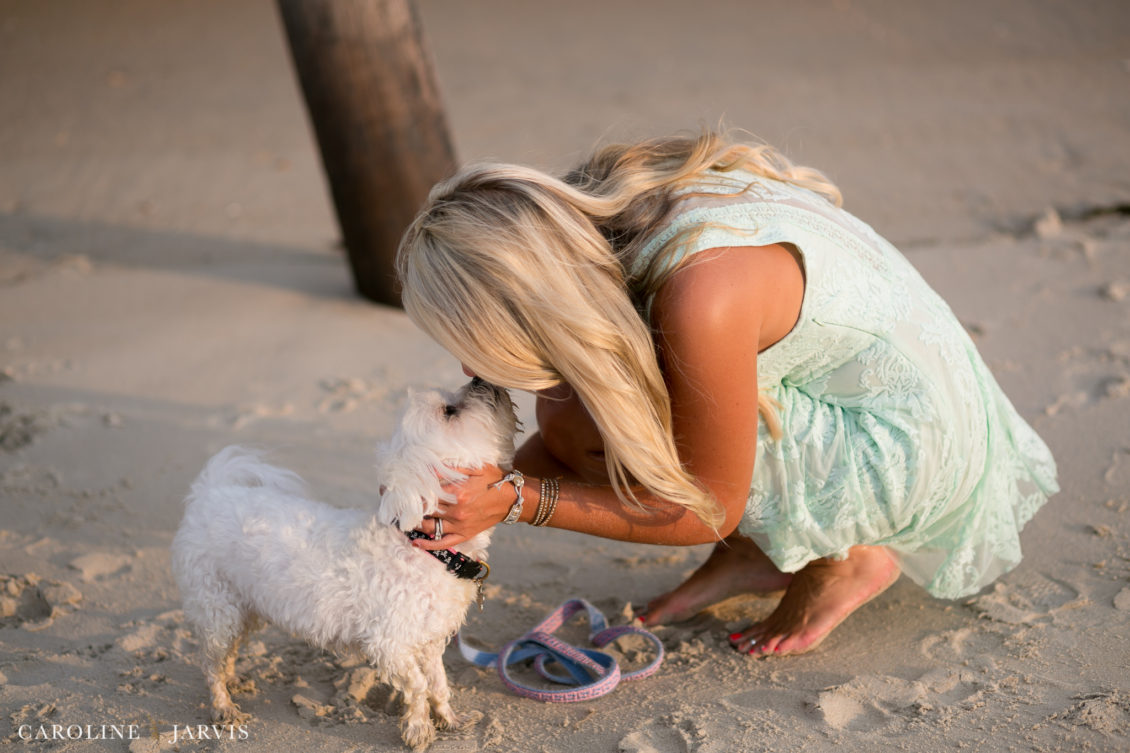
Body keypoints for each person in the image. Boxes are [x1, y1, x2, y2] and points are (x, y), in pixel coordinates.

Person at [396, 130, 1058, 656]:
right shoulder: (583, 226)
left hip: (916, 440)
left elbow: (703, 506)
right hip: (882, 381)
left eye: (474, 336)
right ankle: (762, 549)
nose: (466, 360)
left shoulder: (700, 297)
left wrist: (517, 499)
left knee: (586, 423)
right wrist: (459, 495)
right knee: (578, 405)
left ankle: (849, 555)